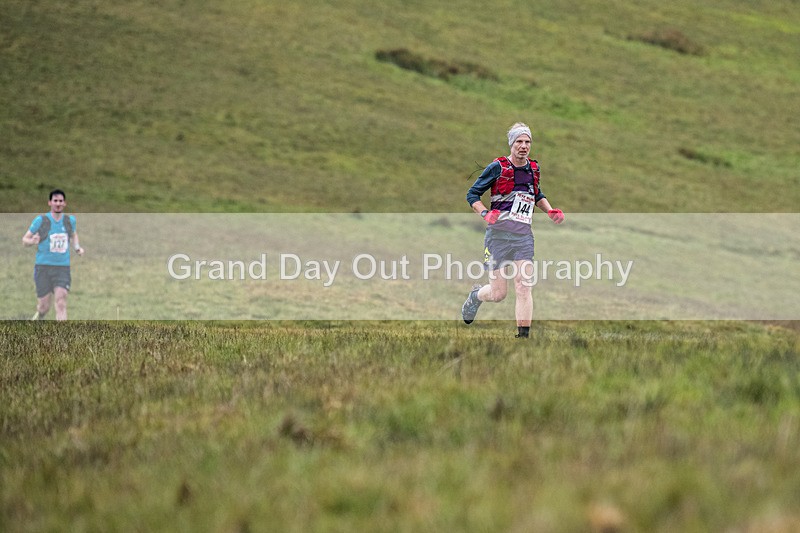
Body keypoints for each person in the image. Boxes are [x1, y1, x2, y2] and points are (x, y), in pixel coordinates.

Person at [462, 122, 564, 338]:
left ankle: (523, 337)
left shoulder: (533, 169)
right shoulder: (497, 168)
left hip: (523, 237)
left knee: (524, 285)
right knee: (498, 294)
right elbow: (472, 195)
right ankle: (475, 296)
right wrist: (485, 213)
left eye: (527, 142)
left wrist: (550, 210)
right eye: (519, 141)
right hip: (497, 237)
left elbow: (536, 194)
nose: (524, 146)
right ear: (511, 143)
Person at [21, 189, 84, 321]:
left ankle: (61, 333)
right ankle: (39, 317)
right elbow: (25, 240)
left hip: (62, 268)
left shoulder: (69, 221)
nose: (58, 203)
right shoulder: (41, 220)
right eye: (55, 201)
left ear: (65, 203)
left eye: (61, 201)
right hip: (43, 267)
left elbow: (73, 234)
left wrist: (77, 247)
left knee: (61, 301)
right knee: (44, 307)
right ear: (50, 202)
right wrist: (32, 241)